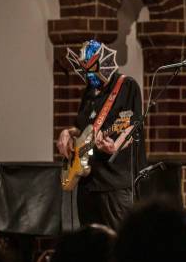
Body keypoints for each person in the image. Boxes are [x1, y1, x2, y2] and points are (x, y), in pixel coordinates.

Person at [56, 40, 144, 230]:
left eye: (92, 69)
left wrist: (116, 145)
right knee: (91, 245)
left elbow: (131, 126)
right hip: (87, 183)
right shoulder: (89, 91)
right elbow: (81, 129)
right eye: (86, 70)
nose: (90, 75)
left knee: (120, 242)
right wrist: (67, 133)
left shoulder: (126, 85)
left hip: (115, 184)